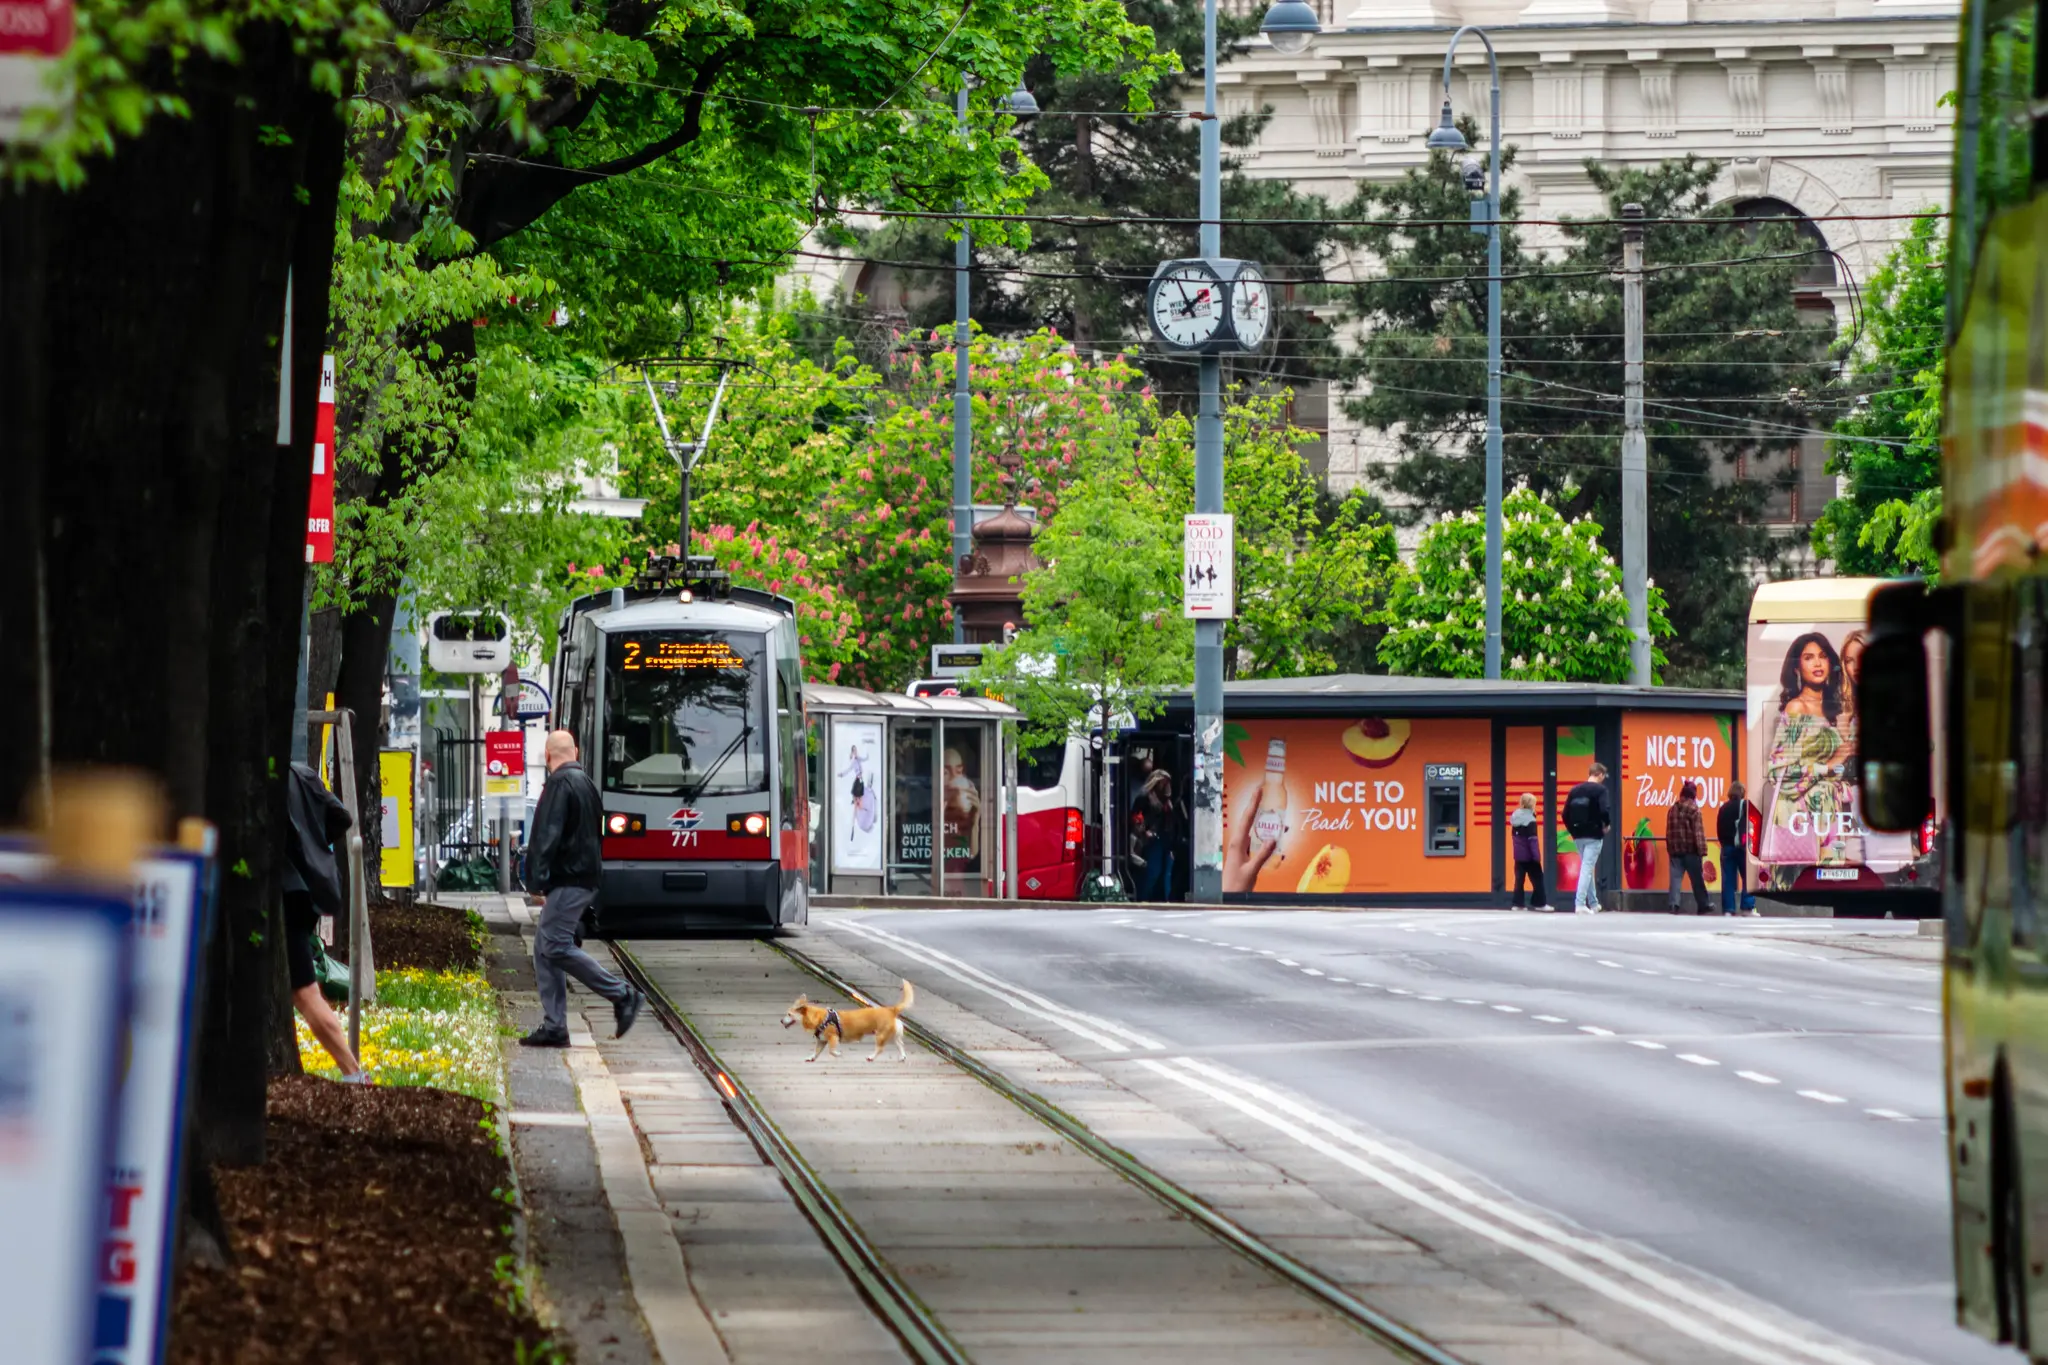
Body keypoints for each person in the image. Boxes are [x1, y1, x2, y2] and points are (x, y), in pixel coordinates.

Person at [521, 730, 643, 1048]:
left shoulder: (560, 784)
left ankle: (622, 994)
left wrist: (537, 881)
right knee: (544, 948)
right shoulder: (586, 784)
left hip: (569, 880)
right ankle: (555, 1026)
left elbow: (546, 836)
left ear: (547, 756)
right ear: (574, 751)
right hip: (583, 878)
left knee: (555, 946)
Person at [282, 762, 367, 1082]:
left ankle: (354, 1074)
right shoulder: (301, 774)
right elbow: (341, 817)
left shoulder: (261, 778)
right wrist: (313, 845)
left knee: (304, 992)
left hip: (286, 891)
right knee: (303, 990)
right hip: (306, 890)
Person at [1765, 633, 1850, 866]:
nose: (1817, 663)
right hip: (1800, 817)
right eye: (1809, 657)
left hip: (1829, 814)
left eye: (1822, 656)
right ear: (1796, 668)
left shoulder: (1833, 710)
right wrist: (1828, 765)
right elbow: (1778, 771)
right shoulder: (1796, 708)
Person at [1563, 761, 1613, 914]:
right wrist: (1606, 825)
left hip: (1578, 835)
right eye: (1603, 777)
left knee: (1587, 867)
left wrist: (1573, 831)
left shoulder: (1575, 790)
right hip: (1594, 834)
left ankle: (1593, 903)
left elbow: (1565, 814)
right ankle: (1579, 904)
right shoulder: (1600, 790)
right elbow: (1604, 810)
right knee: (1587, 867)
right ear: (1599, 775)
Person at [1130, 761, 1182, 902]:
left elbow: (1172, 820)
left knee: (1167, 872)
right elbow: (1136, 817)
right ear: (1158, 783)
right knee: (1153, 870)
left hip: (1166, 838)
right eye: (1165, 783)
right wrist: (1144, 831)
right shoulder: (1145, 797)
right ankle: (1143, 898)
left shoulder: (1168, 801)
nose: (1168, 786)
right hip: (1152, 839)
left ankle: (1165, 899)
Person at [1664, 780, 1711, 915]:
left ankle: (1674, 905)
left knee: (1675, 880)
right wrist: (1702, 851)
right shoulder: (1694, 810)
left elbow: (1669, 831)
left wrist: (1670, 849)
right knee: (1697, 881)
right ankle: (1703, 905)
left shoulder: (1672, 809)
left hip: (1675, 851)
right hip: (1691, 852)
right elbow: (1698, 833)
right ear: (1694, 796)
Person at [1717, 781, 1751, 916]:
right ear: (1742, 793)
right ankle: (1747, 908)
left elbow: (1719, 829)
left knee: (1728, 880)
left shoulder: (1723, 808)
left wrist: (1724, 843)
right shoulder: (1745, 805)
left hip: (1727, 848)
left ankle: (1728, 910)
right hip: (1742, 848)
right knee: (1748, 878)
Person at [1509, 793, 1547, 910]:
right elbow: (1533, 840)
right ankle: (1539, 903)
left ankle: (1517, 904)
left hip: (1518, 856)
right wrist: (1537, 857)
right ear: (1531, 804)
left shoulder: (1515, 817)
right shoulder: (1531, 820)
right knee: (1538, 879)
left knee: (1519, 881)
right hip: (1530, 856)